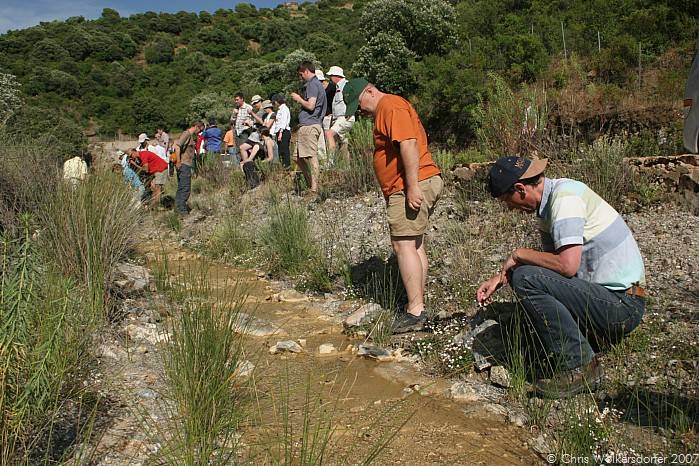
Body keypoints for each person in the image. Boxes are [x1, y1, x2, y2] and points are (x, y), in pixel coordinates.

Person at [476, 156, 646, 398]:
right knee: (523, 276)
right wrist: (502, 275)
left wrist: (518, 255)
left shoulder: (565, 199)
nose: (510, 208)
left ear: (520, 189)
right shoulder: (551, 206)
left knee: (525, 278)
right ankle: (583, 342)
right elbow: (549, 271)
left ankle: (580, 365)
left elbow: (566, 267)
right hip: (609, 300)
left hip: (622, 307)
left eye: (507, 201)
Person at [342, 78, 443, 334]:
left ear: (370, 91)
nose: (361, 112)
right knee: (414, 243)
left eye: (359, 104)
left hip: (410, 183)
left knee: (403, 245)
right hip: (410, 183)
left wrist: (411, 186)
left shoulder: (390, 105)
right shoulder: (389, 107)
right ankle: (417, 302)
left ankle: (416, 311)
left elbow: (408, 143)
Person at [291, 61, 327, 195]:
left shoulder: (312, 85)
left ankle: (314, 187)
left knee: (311, 156)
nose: (301, 78)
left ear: (306, 71)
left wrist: (299, 99)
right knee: (297, 157)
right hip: (309, 125)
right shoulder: (317, 84)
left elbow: (311, 106)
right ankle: (310, 182)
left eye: (301, 75)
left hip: (309, 125)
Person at [172, 121, 204, 216]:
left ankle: (178, 209)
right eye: (200, 129)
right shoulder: (186, 134)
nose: (199, 132)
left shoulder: (189, 136)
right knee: (185, 187)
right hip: (183, 164)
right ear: (196, 127)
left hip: (185, 164)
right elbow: (177, 146)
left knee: (182, 187)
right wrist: (178, 161)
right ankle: (182, 211)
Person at [326, 66, 355, 161]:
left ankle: (330, 163)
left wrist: (349, 113)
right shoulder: (338, 87)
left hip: (344, 117)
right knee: (343, 142)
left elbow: (353, 99)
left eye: (331, 76)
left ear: (336, 76)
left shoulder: (346, 85)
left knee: (330, 134)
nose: (330, 78)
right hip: (339, 118)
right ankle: (346, 167)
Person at [230, 92, 254, 163]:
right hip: (237, 132)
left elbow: (254, 120)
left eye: (237, 100)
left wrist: (248, 123)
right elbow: (231, 121)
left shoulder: (248, 107)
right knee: (237, 150)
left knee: (245, 149)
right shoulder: (236, 109)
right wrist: (234, 114)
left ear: (242, 99)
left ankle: (247, 165)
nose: (236, 101)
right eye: (235, 100)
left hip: (245, 132)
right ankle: (240, 166)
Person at [272, 94, 291, 169]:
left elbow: (283, 122)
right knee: (281, 150)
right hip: (280, 131)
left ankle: (287, 166)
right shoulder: (280, 109)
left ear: (277, 101)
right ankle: (283, 165)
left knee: (284, 150)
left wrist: (280, 133)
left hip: (283, 131)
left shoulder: (284, 109)